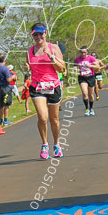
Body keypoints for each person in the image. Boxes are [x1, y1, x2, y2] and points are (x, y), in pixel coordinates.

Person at [28, 23, 66, 159]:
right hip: (37, 87)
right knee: (42, 117)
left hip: (53, 86)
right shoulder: (30, 50)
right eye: (35, 35)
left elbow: (62, 68)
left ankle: (56, 144)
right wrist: (28, 69)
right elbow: (32, 67)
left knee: (54, 119)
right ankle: (45, 144)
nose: (38, 37)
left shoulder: (54, 48)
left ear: (46, 33)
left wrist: (51, 57)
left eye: (40, 34)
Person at [74, 47, 101, 116]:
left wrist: (90, 65)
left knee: (91, 95)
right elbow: (75, 65)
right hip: (82, 77)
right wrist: (75, 68)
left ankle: (91, 108)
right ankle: (86, 109)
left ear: (87, 52)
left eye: (84, 52)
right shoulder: (77, 59)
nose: (83, 54)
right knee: (84, 93)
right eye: (81, 52)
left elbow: (97, 66)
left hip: (91, 77)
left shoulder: (91, 58)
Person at [0, 54, 14, 126]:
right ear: (5, 60)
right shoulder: (5, 68)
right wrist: (13, 77)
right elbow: (8, 79)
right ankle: (6, 120)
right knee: (6, 104)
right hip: (5, 87)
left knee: (0, 104)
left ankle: (1, 120)